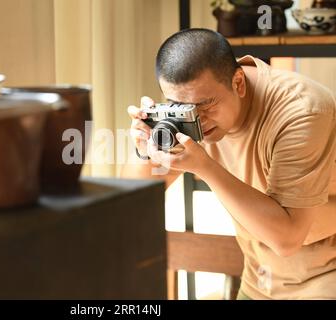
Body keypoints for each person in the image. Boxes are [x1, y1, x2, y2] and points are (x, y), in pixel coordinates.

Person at [121, 28, 336, 299]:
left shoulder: (303, 110)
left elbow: (287, 238)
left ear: (238, 82)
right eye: (180, 105)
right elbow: (132, 199)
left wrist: (204, 167)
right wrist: (146, 150)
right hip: (258, 281)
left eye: (206, 104)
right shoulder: (192, 108)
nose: (198, 119)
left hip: (325, 278)